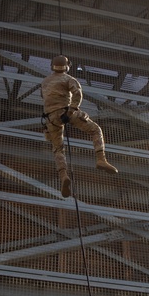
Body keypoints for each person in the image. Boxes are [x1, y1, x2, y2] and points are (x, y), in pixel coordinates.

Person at [41, 55, 117, 198]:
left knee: (58, 148)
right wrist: (71, 111)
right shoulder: (68, 79)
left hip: (51, 118)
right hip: (66, 112)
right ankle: (101, 159)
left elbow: (45, 98)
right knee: (95, 130)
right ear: (67, 66)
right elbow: (77, 94)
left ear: (52, 66)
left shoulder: (45, 82)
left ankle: (63, 176)